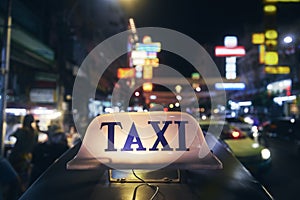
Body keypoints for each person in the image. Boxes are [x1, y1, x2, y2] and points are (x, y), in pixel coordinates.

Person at [29, 120, 69, 185]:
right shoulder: (40, 148)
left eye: (60, 135)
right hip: (41, 181)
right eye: (56, 135)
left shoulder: (62, 148)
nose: (59, 137)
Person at [8, 114, 39, 192]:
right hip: (27, 158)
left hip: (16, 157)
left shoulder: (21, 131)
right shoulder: (35, 133)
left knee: (13, 178)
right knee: (24, 180)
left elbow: (10, 136)